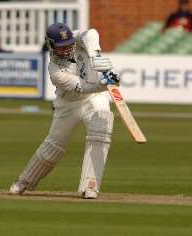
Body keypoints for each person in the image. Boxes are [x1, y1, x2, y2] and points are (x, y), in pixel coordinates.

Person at [9, 23, 120, 199]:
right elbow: (84, 87)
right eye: (61, 47)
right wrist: (104, 83)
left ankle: (90, 185)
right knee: (53, 147)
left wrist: (103, 68)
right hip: (69, 104)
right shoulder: (54, 71)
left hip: (95, 98)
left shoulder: (81, 38)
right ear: (51, 45)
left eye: (68, 44)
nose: (66, 49)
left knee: (101, 127)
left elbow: (92, 34)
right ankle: (24, 181)